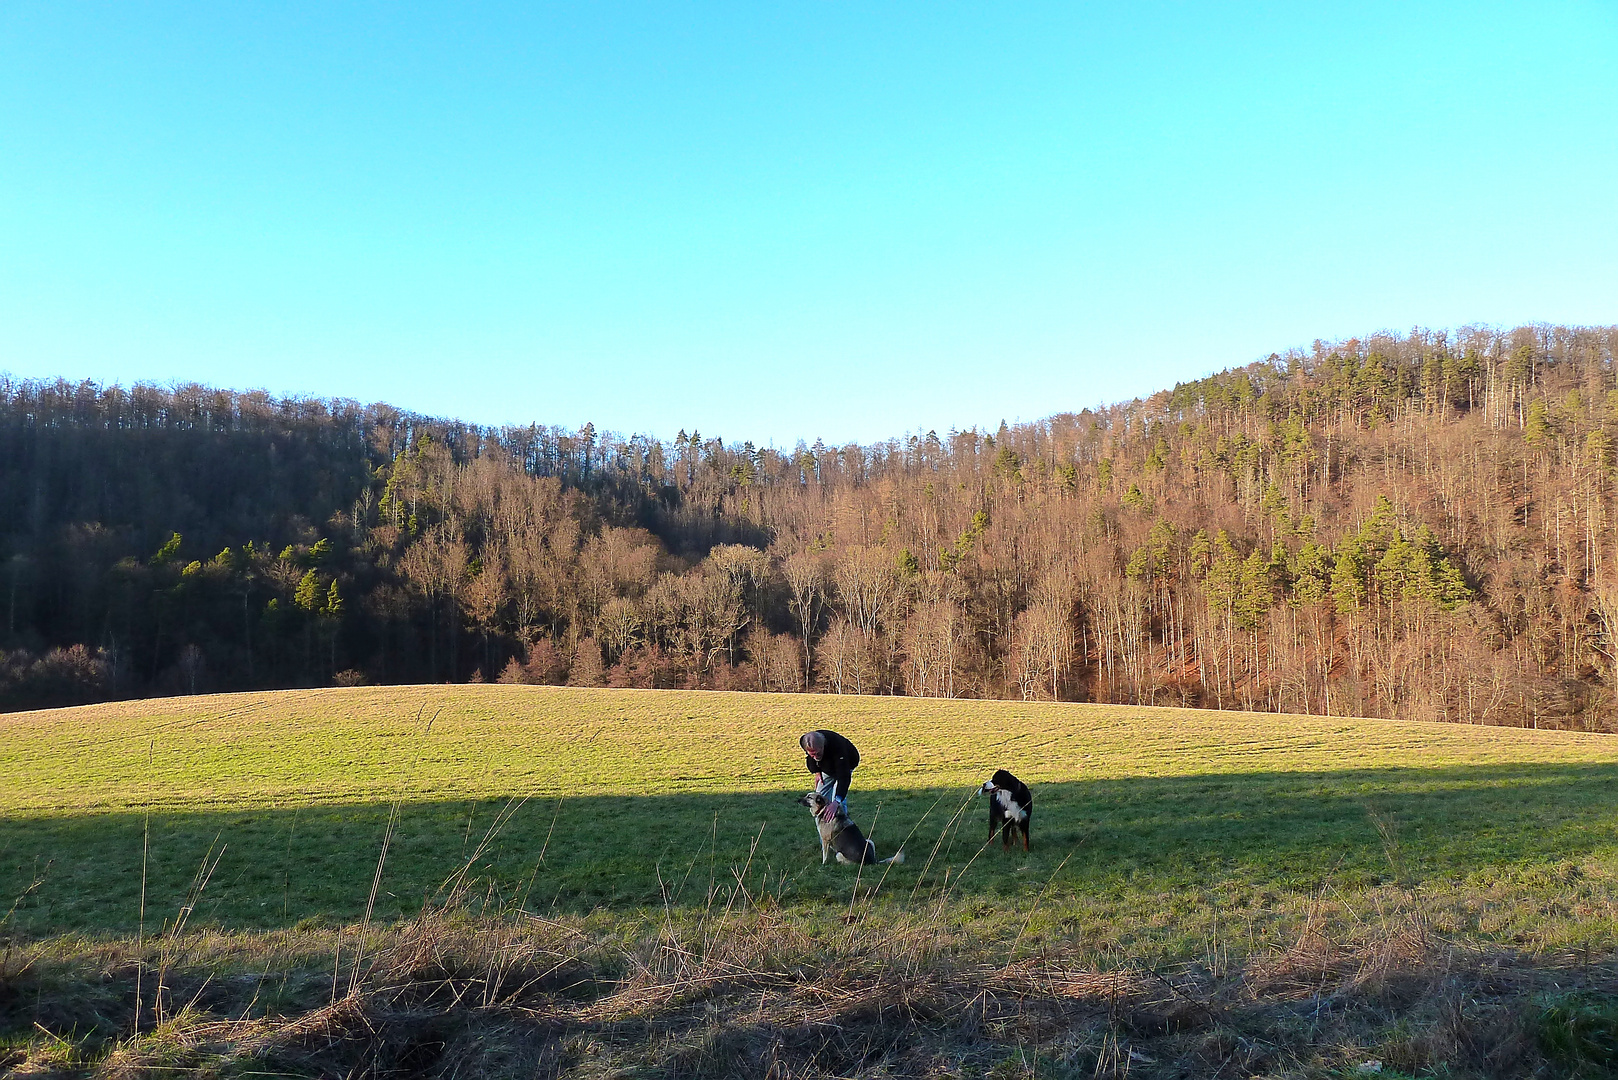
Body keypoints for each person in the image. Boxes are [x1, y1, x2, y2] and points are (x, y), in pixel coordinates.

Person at [800, 729, 859, 822]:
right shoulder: (805, 741)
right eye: (812, 755)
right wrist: (817, 771)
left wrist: (836, 802)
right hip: (826, 767)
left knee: (839, 804)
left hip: (846, 764)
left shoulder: (838, 748)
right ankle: (824, 831)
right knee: (819, 797)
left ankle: (842, 830)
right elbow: (810, 758)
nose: (815, 757)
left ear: (823, 746)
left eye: (818, 753)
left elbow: (844, 778)